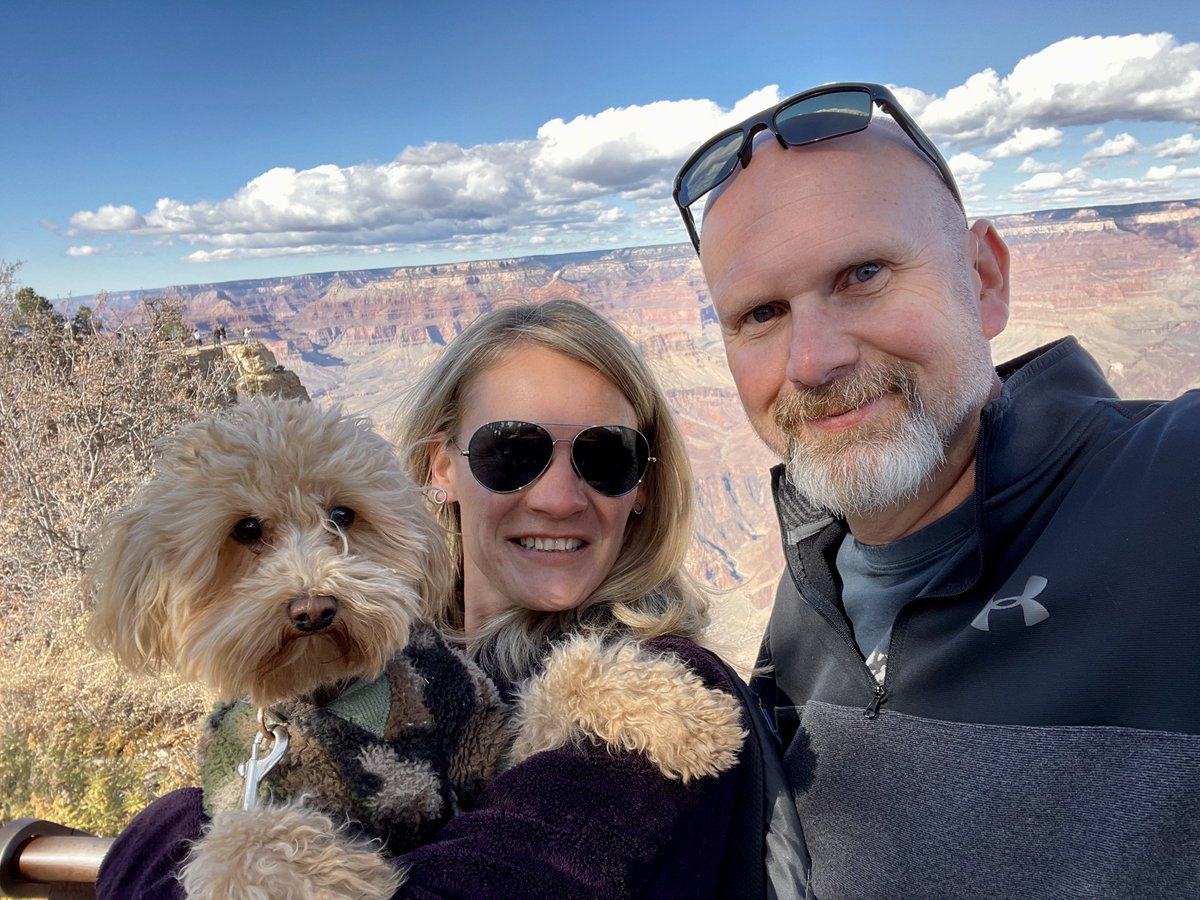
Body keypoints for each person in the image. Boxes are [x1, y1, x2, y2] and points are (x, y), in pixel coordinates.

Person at [675, 81, 1200, 898]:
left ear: (984, 278)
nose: (812, 360)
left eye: (863, 273)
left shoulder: (1171, 489)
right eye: (761, 313)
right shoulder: (810, 594)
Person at [95, 298, 763, 899]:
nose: (559, 498)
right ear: (441, 466)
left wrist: (160, 833)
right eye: (511, 451)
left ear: (644, 485)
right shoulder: (409, 662)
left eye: (607, 455)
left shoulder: (674, 683)